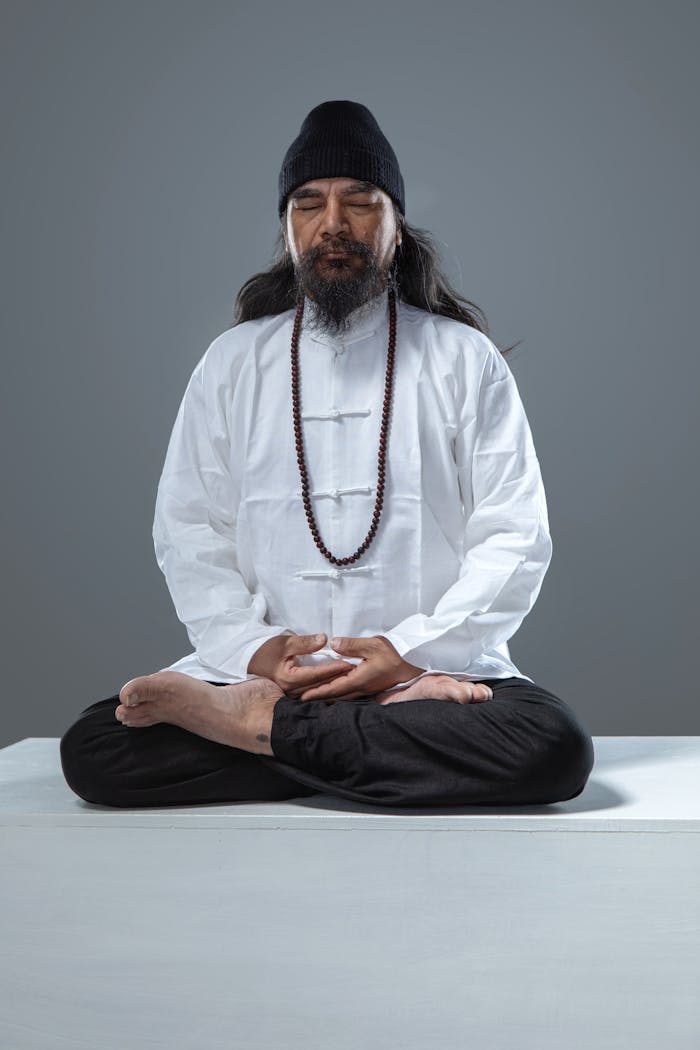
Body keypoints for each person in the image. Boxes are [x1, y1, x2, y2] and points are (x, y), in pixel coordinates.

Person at [60, 100, 594, 810]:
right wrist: (255, 654)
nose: (333, 224)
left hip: (428, 670)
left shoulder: (464, 360)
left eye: (360, 202)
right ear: (288, 230)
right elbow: (189, 533)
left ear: (397, 227)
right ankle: (334, 729)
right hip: (260, 672)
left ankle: (262, 733)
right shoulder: (232, 362)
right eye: (309, 204)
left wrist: (408, 655)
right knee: (97, 747)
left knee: (551, 747)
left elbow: (514, 536)